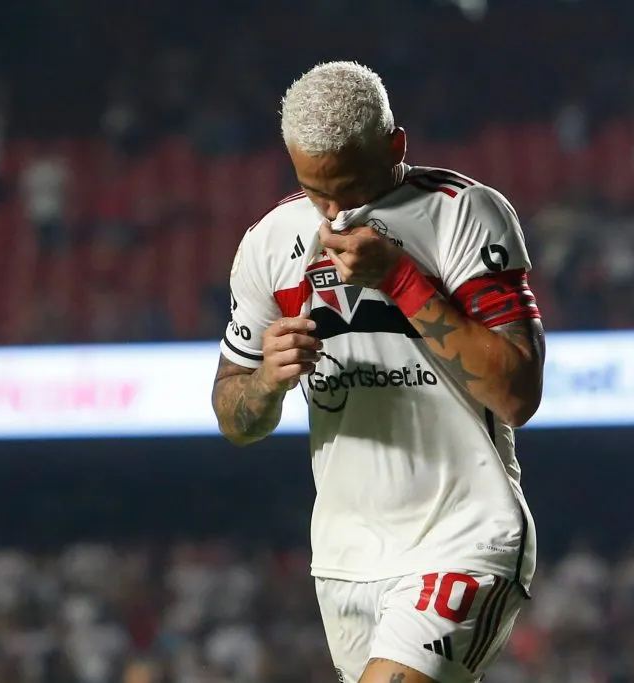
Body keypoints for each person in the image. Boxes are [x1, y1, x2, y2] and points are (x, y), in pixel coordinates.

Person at [210, 61, 545, 683]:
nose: (335, 212)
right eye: (316, 191)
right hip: (345, 558)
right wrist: (265, 383)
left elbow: (517, 392)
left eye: (351, 186)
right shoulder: (269, 241)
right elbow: (235, 417)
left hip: (464, 537)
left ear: (396, 146)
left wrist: (399, 279)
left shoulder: (464, 215)